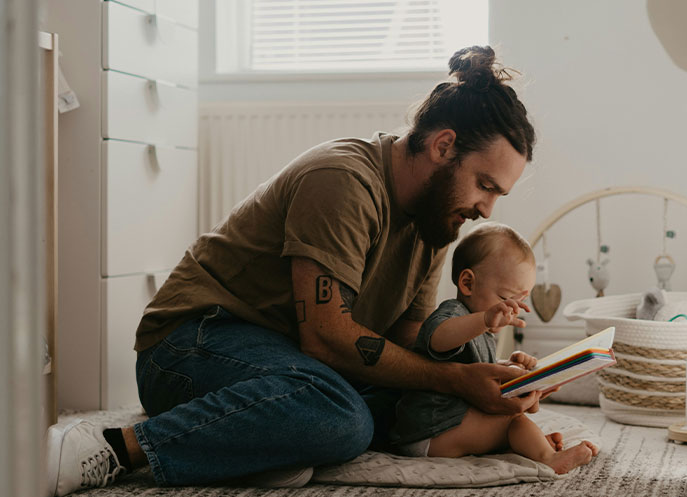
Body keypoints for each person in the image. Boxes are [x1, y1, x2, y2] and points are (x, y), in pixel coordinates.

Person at [45, 45, 541, 496]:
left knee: (411, 413)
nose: (487, 209)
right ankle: (114, 446)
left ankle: (256, 447)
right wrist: (454, 380)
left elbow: (406, 341)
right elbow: (326, 339)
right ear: (443, 146)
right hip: (189, 344)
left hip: (289, 363)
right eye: (485, 185)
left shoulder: (434, 219)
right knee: (342, 418)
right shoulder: (343, 179)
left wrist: (488, 380)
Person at [390, 222, 599, 474]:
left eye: (520, 303)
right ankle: (547, 458)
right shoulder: (454, 314)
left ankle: (530, 445)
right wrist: (485, 320)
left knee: (518, 416)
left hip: (451, 425)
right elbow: (437, 338)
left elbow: (481, 376)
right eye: (504, 299)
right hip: (428, 431)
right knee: (512, 422)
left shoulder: (484, 330)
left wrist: (526, 383)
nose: (510, 312)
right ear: (467, 283)